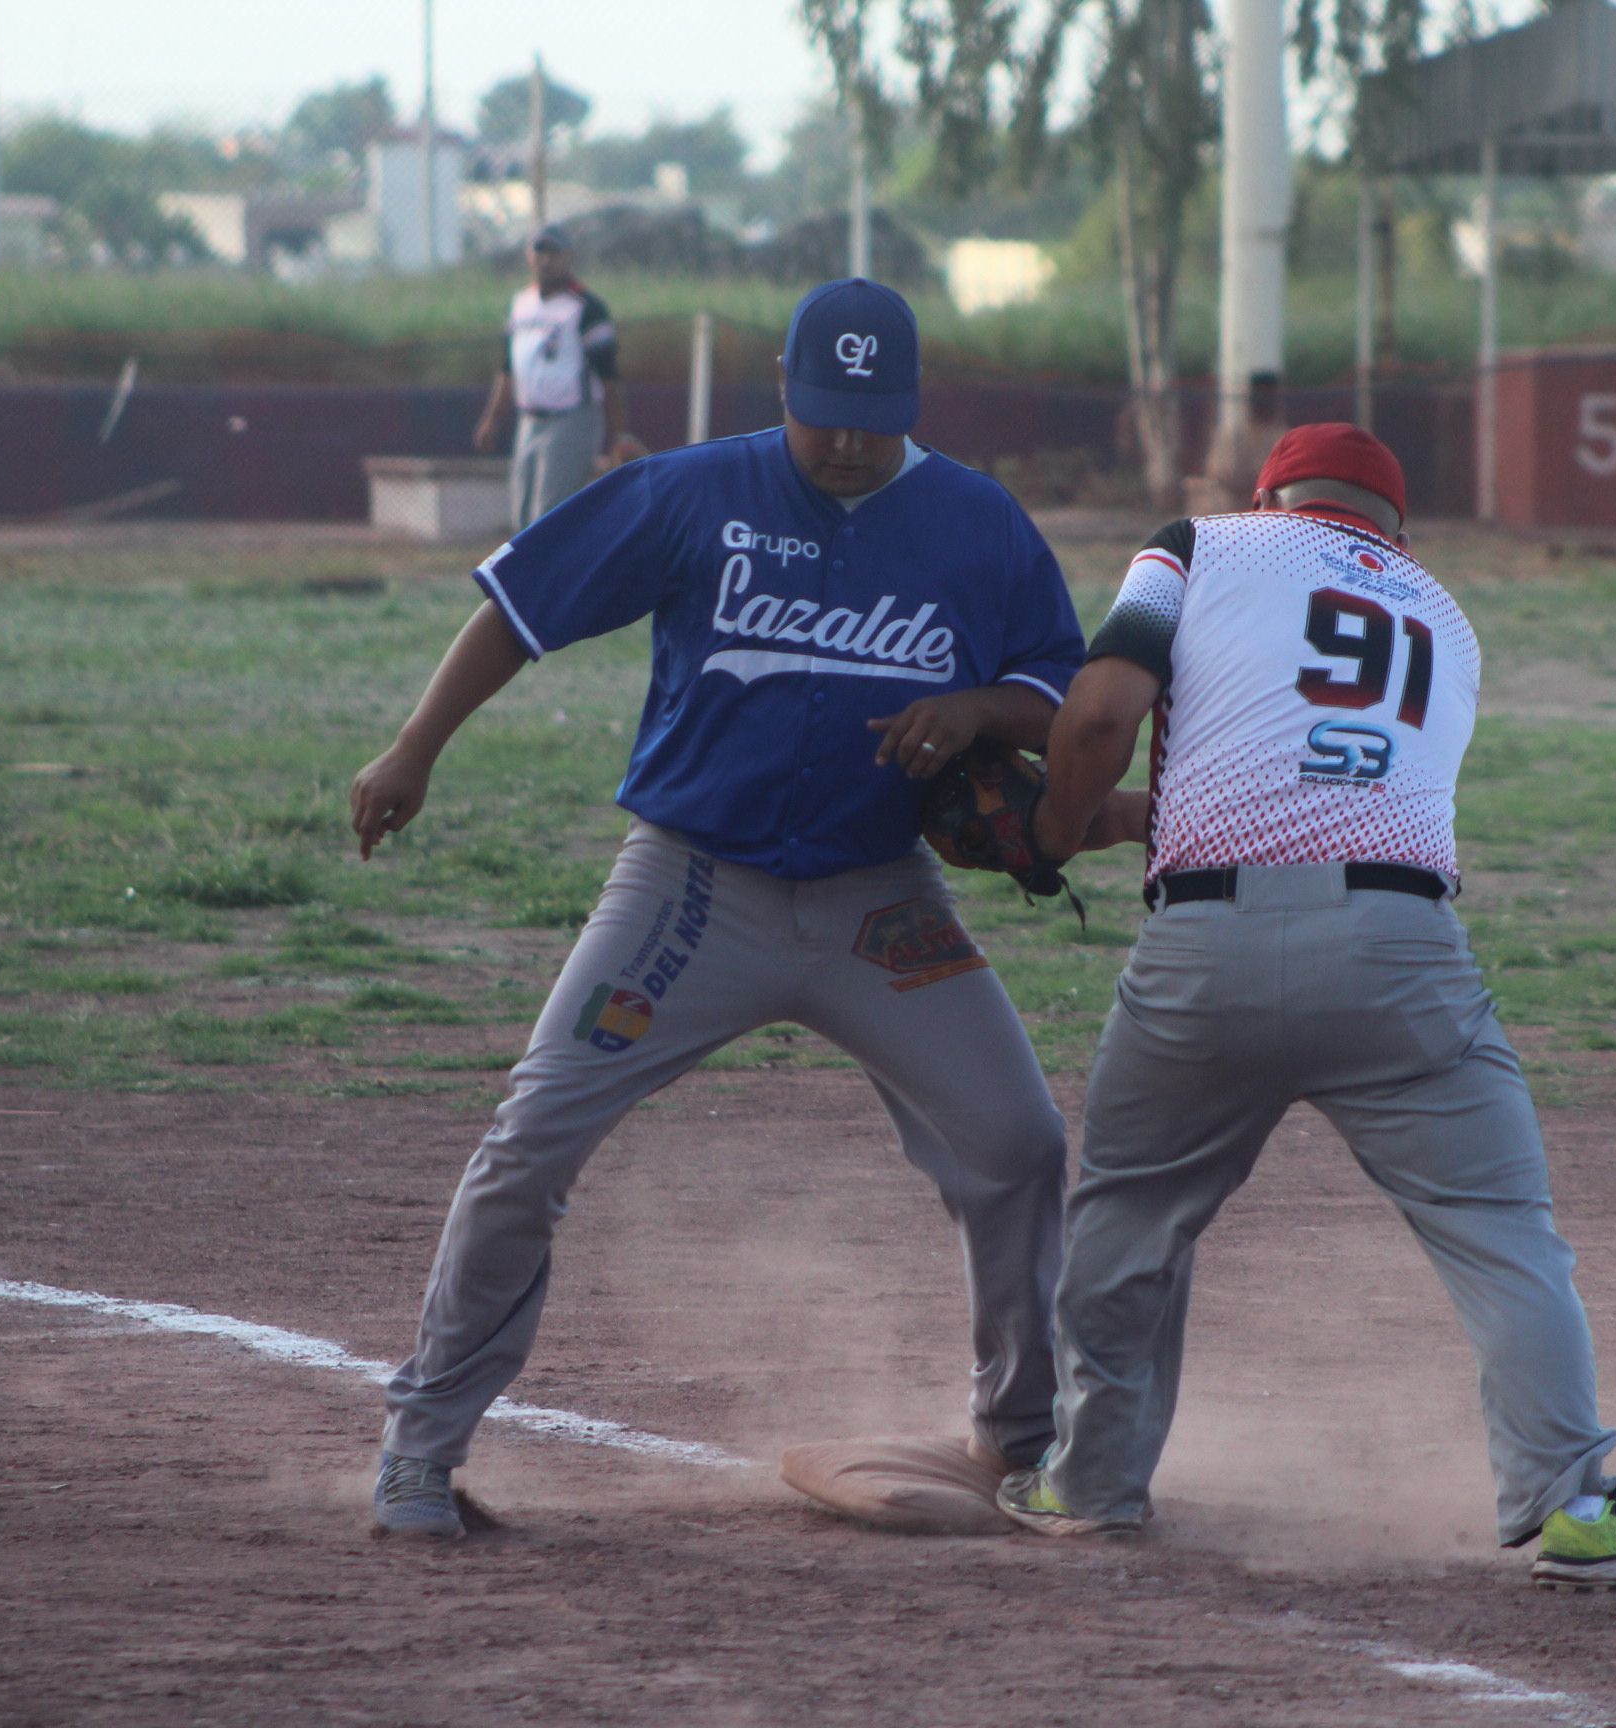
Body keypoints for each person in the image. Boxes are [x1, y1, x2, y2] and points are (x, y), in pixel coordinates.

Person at [351, 278, 1086, 1539]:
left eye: (873, 416)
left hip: (878, 905)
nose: (847, 440)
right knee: (530, 1147)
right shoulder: (697, 490)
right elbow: (521, 610)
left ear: (910, 405)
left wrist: (980, 710)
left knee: (1018, 1145)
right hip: (690, 891)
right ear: (784, 394)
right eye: (824, 414)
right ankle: (421, 1449)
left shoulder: (977, 521)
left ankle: (1019, 1441)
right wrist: (414, 749)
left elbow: (1061, 691)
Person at [1000, 423, 1616, 1591]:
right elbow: (1321, 774)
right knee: (1504, 1240)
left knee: (1129, 1221)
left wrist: (1052, 829)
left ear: (1269, 497)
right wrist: (1136, 814)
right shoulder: (1445, 614)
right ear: (1395, 529)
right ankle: (1576, 1504)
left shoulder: (1199, 544)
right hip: (1400, 951)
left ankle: (1088, 1485)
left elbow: (1097, 720)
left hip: (1206, 950)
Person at [473, 226, 649, 528]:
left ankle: (551, 575)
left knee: (549, 514)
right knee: (522, 514)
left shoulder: (586, 307)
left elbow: (608, 376)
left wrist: (619, 434)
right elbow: (508, 368)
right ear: (529, 256)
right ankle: (530, 576)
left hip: (571, 418)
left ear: (569, 257)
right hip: (530, 419)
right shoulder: (520, 304)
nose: (546, 260)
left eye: (553, 253)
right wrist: (492, 419)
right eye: (539, 252)